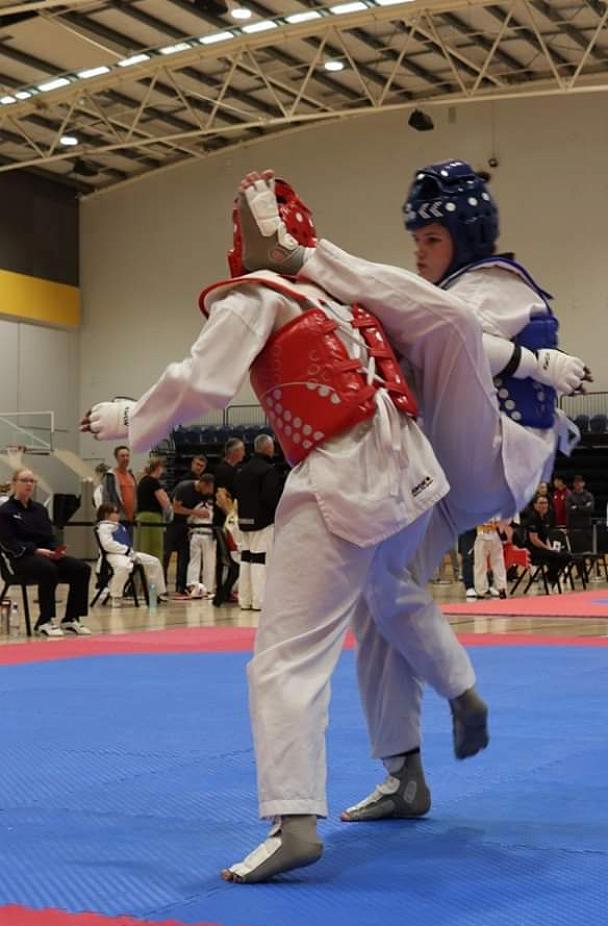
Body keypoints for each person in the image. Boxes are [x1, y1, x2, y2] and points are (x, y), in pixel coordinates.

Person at [80, 174, 499, 884]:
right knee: (387, 602)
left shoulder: (257, 296)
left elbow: (204, 380)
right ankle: (421, 751)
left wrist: (130, 416)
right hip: (413, 473)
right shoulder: (345, 297)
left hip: (342, 475)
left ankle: (294, 822)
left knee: (285, 656)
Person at [232, 166, 591, 829]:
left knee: (437, 321)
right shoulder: (449, 291)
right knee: (379, 591)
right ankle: (404, 772)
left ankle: (302, 253)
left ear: (465, 236)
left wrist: (531, 364)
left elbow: (461, 334)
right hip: (444, 471)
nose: (420, 252)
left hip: (493, 451)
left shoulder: (492, 284)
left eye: (432, 240)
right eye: (416, 240)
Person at [0, 467, 91, 636]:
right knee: (48, 569)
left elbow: (49, 536)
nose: (29, 484)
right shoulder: (6, 511)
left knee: (81, 569)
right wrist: (36, 550)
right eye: (24, 480)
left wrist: (56, 550)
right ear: (14, 483)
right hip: (20, 559)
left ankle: (71, 618)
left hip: (45, 555)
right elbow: (8, 542)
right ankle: (45, 620)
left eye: (32, 481)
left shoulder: (39, 509)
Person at [233, 434, 283, 611]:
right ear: (268, 448)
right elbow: (271, 497)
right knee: (261, 560)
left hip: (244, 521)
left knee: (246, 558)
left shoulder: (242, 470)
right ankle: (259, 601)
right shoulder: (268, 470)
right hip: (262, 522)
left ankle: (244, 599)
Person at [95, 503, 168, 607]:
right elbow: (107, 544)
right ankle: (116, 596)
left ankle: (155, 593)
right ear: (107, 514)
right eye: (116, 512)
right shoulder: (103, 527)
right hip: (112, 555)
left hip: (128, 553)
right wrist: (125, 550)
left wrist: (129, 552)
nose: (118, 515)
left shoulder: (119, 526)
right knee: (123, 567)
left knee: (153, 562)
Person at [163, 455, 208, 596]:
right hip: (173, 522)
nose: (198, 467)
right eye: (197, 464)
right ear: (192, 464)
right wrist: (195, 512)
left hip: (188, 524)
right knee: (166, 553)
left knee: (185, 556)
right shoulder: (184, 481)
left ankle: (181, 586)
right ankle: (161, 586)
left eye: (201, 466)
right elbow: (174, 505)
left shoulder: (204, 485)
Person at [525, 494, 571, 587]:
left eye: (545, 503)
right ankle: (550, 578)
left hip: (543, 548)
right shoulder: (532, 518)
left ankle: (547, 576)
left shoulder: (546, 518)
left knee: (566, 556)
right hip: (533, 550)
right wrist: (548, 549)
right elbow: (534, 540)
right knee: (556, 556)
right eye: (541, 503)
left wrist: (550, 548)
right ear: (535, 505)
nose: (544, 505)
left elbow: (546, 537)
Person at [185, 473, 217, 598]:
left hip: (198, 534)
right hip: (205, 535)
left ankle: (194, 586)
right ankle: (206, 588)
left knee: (196, 561)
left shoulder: (197, 506)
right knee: (208, 562)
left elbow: (189, 520)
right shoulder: (211, 507)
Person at [135, 457, 172, 563]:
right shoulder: (153, 482)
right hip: (152, 518)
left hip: (141, 516)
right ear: (158, 467)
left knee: (142, 547)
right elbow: (165, 502)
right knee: (154, 548)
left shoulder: (142, 481)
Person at [102, 446, 137, 540]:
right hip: (117, 519)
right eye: (122, 456)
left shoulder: (131, 476)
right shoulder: (110, 476)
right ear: (116, 458)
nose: (125, 458)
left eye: (127, 455)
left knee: (129, 545)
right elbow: (106, 497)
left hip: (130, 519)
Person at [473, 519, 507, 599]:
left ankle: (481, 590)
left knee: (481, 564)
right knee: (497, 563)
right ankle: (501, 588)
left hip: (487, 533)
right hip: (487, 533)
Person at [566, 474, 595, 552]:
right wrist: (583, 506)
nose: (578, 484)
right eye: (576, 482)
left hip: (586, 528)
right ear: (573, 484)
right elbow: (569, 510)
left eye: (580, 482)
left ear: (583, 483)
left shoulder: (589, 496)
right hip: (573, 528)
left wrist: (576, 507)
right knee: (574, 551)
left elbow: (590, 509)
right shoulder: (570, 496)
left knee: (587, 551)